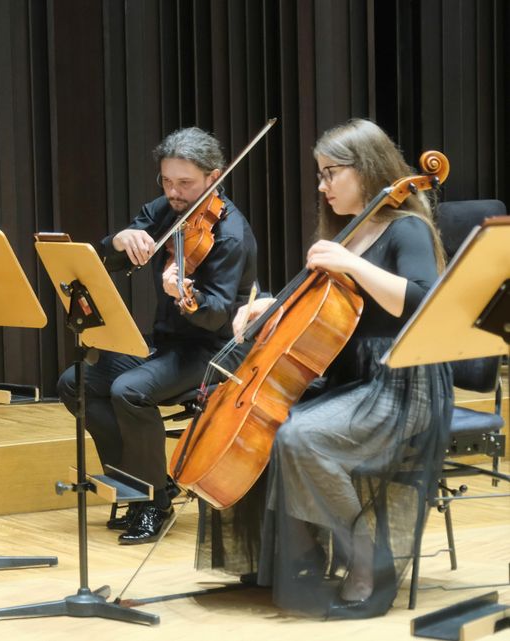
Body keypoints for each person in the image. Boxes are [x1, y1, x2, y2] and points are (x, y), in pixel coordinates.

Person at [198, 118, 453, 618]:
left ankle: (367, 557)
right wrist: (266, 306)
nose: (322, 185)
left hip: (400, 383)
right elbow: (325, 313)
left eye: (331, 172)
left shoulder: (408, 229)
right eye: (320, 173)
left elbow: (424, 302)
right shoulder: (347, 233)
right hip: (352, 378)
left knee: (300, 437)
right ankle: (299, 561)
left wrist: (352, 264)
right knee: (269, 427)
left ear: (368, 169)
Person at [58, 128, 259, 544]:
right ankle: (144, 483)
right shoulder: (167, 209)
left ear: (214, 177)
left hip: (214, 349)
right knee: (74, 382)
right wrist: (119, 238)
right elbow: (106, 256)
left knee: (129, 390)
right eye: (166, 180)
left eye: (184, 183)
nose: (174, 191)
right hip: (168, 344)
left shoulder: (231, 234)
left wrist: (187, 298)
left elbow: (217, 313)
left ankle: (153, 503)